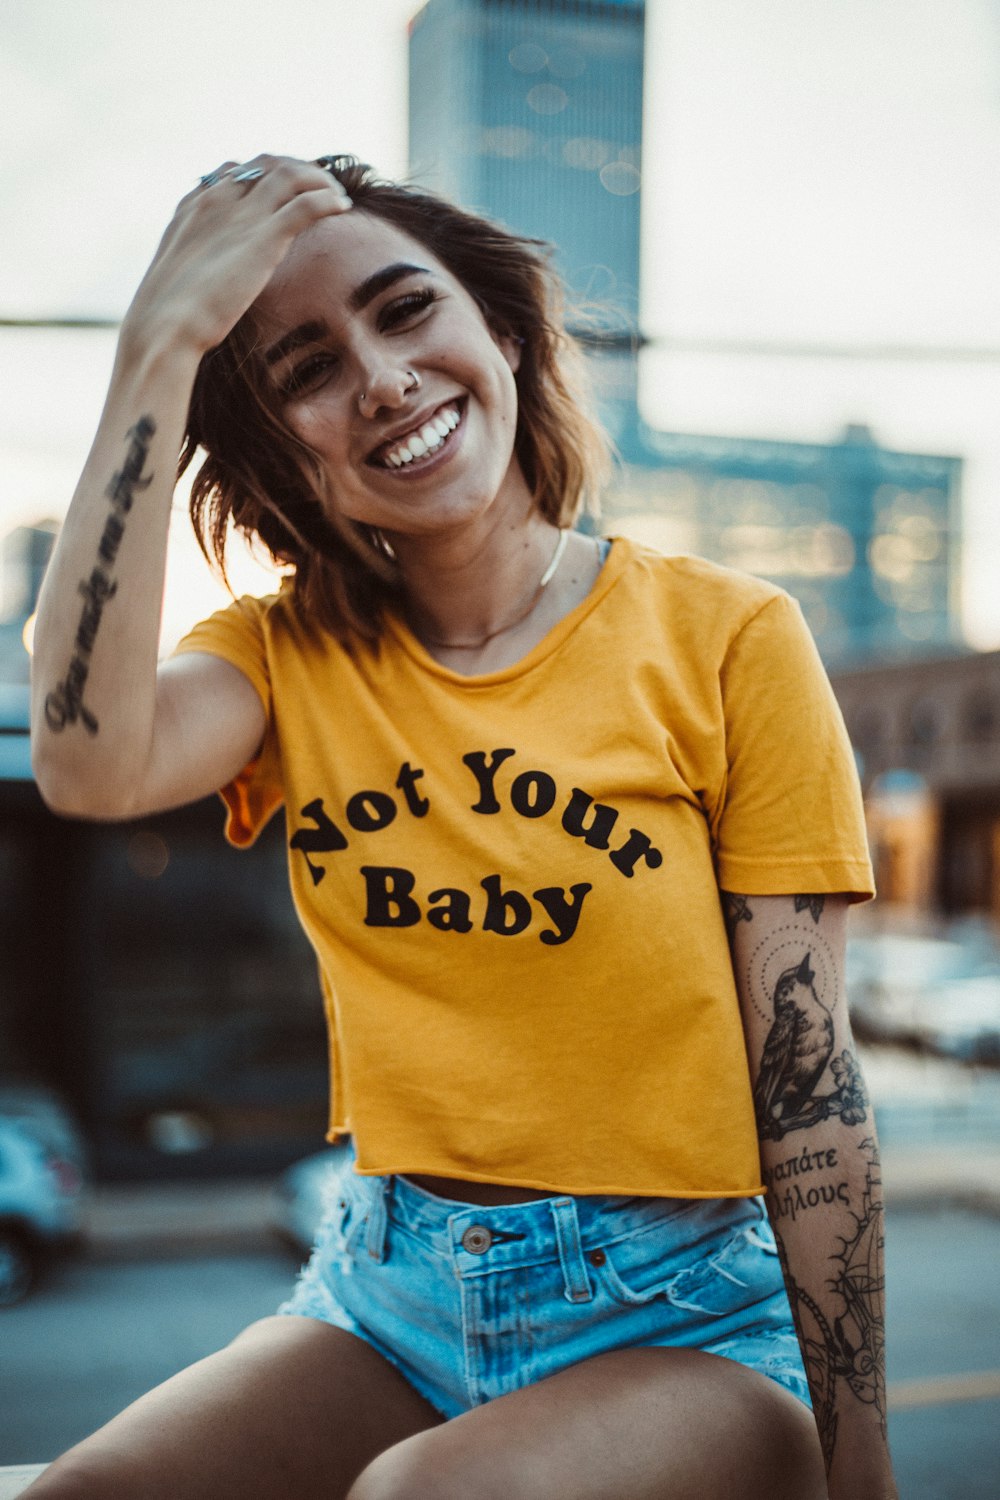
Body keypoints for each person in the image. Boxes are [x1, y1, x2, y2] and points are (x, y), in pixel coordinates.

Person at [28, 154, 898, 1500]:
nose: (379, 378)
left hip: (690, 1316)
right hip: (393, 1294)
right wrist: (158, 346)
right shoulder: (279, 660)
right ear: (279, 452)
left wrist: (862, 1473)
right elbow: (88, 767)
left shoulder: (725, 639)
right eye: (305, 369)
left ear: (500, 332)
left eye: (404, 310)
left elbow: (808, 1091)